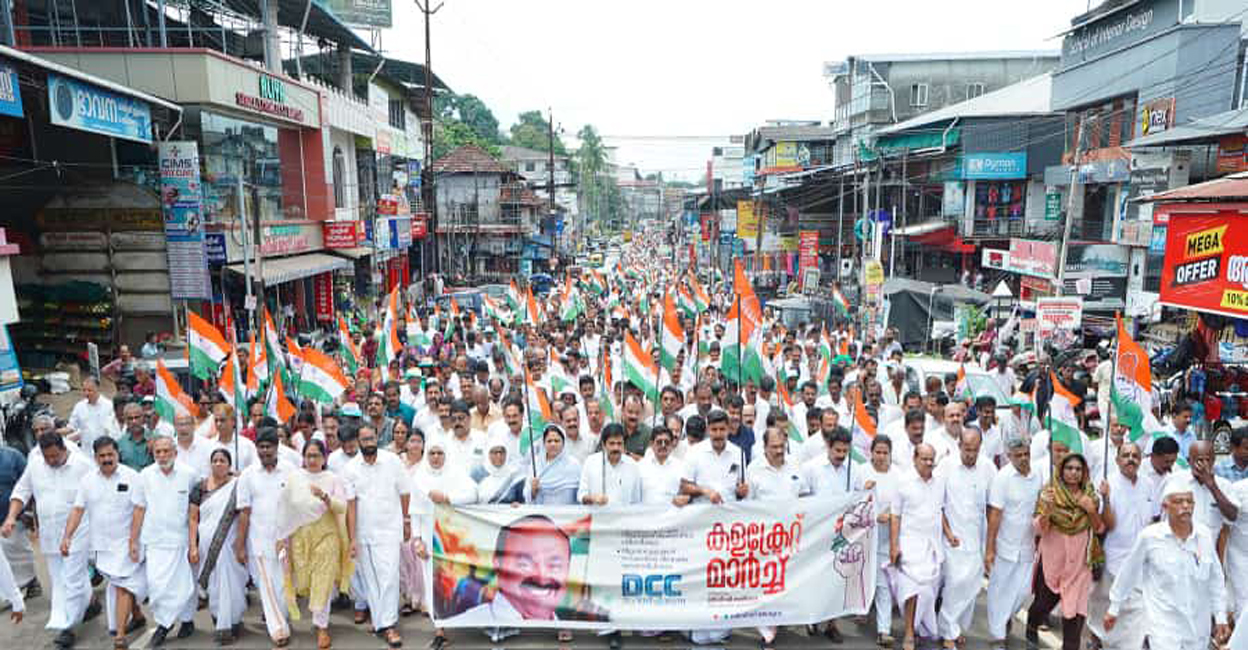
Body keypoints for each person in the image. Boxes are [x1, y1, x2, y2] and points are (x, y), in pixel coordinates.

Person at [1105, 476, 1230, 648]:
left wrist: (1220, 616)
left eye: (1189, 501)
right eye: (1179, 501)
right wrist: (1114, 608)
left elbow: (1215, 579)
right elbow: (1129, 572)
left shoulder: (1204, 536)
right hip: (1163, 627)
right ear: (1165, 506)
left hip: (1197, 628)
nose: (1185, 506)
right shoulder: (1150, 537)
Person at [2, 432, 97, 650]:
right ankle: (90, 603)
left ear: (64, 449)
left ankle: (68, 627)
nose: (52, 461)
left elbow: (99, 491)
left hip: (78, 533)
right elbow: (22, 491)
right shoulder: (35, 465)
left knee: (71, 579)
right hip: (49, 534)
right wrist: (10, 518)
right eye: (48, 457)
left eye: (55, 456)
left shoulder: (82, 465)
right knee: (59, 578)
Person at [61, 437, 147, 648]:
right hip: (102, 545)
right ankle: (137, 617)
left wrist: (133, 541)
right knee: (119, 583)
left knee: (122, 586)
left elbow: (139, 509)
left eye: (110, 454)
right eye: (102, 456)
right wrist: (67, 536)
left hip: (127, 544)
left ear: (117, 454)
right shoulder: (87, 481)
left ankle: (119, 634)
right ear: (95, 457)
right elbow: (78, 509)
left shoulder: (132, 477)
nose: (107, 459)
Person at [276, 439, 352, 650]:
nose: (311, 460)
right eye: (308, 456)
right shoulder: (294, 478)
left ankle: (322, 627)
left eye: (316, 456)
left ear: (324, 457)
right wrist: (282, 536)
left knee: (323, 580)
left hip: (326, 535)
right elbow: (284, 509)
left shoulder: (332, 479)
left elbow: (342, 507)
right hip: (300, 537)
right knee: (304, 581)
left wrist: (325, 497)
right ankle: (317, 618)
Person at [1027, 453, 1106, 650]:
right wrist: (1047, 509)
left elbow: (1099, 529)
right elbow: (1038, 528)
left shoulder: (1091, 497)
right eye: (1069, 468)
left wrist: (1091, 510)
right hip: (1053, 564)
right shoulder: (1049, 493)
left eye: (1078, 469)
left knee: (1074, 622)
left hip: (1079, 567)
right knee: (1041, 606)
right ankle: (1031, 626)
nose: (1073, 473)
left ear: (1084, 472)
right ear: (1061, 471)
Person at [344, 424, 412, 648]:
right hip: (364, 532)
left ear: (377, 438)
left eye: (371, 438)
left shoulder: (392, 462)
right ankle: (381, 620)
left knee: (389, 577)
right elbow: (351, 506)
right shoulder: (351, 468)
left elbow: (404, 492)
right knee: (371, 580)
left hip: (390, 529)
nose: (369, 442)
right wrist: (352, 538)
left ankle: (389, 625)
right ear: (358, 442)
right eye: (364, 439)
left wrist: (406, 520)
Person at [128, 436, 197, 646]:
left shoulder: (189, 475)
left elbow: (194, 511)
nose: (162, 455)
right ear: (154, 454)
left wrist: (194, 543)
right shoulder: (145, 476)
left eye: (166, 451)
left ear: (175, 453)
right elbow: (139, 508)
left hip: (180, 540)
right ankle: (164, 622)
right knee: (157, 586)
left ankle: (185, 621)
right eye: (158, 452)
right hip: (155, 540)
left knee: (184, 585)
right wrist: (133, 541)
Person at [235, 429, 297, 646]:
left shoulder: (290, 470)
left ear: (277, 446)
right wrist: (240, 544)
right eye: (261, 447)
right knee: (266, 585)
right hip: (258, 541)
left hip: (285, 538)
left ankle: (281, 618)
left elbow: (297, 504)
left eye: (268, 446)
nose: (265, 451)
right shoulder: (248, 475)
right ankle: (279, 629)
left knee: (282, 584)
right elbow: (244, 512)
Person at [1085, 442, 1149, 650]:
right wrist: (1105, 497)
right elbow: (1108, 525)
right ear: (1117, 459)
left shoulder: (1147, 484)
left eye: (1135, 455)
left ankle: (1128, 644)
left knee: (1135, 607)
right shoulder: (1107, 483)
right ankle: (1097, 637)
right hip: (1113, 554)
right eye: (1126, 455)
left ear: (1140, 460)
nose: (1131, 459)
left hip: (1140, 557)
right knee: (1105, 602)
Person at [745, 427, 804, 650]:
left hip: (791, 537)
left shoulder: (796, 467)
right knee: (765, 583)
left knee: (785, 582)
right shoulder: (754, 470)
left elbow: (806, 496)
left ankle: (778, 621)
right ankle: (766, 633)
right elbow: (748, 504)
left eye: (782, 446)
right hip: (764, 537)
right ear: (764, 447)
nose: (779, 451)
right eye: (774, 447)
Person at [937, 429, 993, 648]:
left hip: (977, 537)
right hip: (952, 537)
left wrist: (990, 542)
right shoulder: (945, 466)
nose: (971, 454)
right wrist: (948, 532)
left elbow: (992, 505)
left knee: (971, 586)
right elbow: (937, 503)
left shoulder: (988, 467)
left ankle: (956, 627)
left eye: (975, 450)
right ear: (959, 445)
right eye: (967, 449)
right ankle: (947, 630)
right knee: (955, 582)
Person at [983, 437, 1042, 646]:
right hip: (1004, 545)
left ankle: (1004, 619)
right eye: (1018, 455)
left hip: (1027, 546)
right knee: (999, 590)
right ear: (1009, 456)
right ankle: (997, 635)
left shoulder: (1037, 476)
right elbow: (995, 514)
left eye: (1026, 453)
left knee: (1023, 591)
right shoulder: (1003, 478)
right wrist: (989, 548)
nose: (1024, 458)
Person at [189, 449, 247, 647]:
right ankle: (219, 619)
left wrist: (240, 543)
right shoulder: (200, 487)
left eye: (223, 460)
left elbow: (244, 514)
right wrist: (193, 546)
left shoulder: (238, 485)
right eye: (215, 460)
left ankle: (233, 621)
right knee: (214, 583)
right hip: (206, 543)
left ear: (229, 465)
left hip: (229, 543)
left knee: (232, 581)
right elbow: (193, 518)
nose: (218, 464)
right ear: (210, 463)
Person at [890, 444, 942, 650]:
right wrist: (894, 545)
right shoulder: (903, 481)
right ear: (914, 458)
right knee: (911, 589)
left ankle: (921, 628)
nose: (929, 463)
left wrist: (948, 536)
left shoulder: (939, 482)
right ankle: (909, 632)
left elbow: (942, 511)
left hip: (932, 545)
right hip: (909, 543)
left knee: (928, 592)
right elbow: (895, 515)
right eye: (925, 459)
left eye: (932, 459)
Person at [861, 435, 899, 647]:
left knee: (884, 583)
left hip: (887, 536)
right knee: (864, 579)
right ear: (871, 452)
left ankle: (883, 630)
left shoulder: (898, 475)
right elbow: (852, 501)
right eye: (878, 452)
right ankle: (861, 610)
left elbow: (902, 504)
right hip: (864, 535)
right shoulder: (862, 472)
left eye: (885, 453)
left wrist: (891, 515)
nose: (881, 457)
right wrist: (864, 491)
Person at [525, 425, 582, 506]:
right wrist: (532, 491)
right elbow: (527, 496)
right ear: (543, 443)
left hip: (569, 515)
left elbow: (581, 494)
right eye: (549, 441)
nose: (553, 444)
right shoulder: (536, 463)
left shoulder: (574, 464)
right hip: (542, 516)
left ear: (563, 442)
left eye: (557, 441)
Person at [638, 426, 688, 507]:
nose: (663, 445)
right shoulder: (641, 467)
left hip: (673, 516)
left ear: (672, 444)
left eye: (667, 442)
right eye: (659, 442)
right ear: (651, 444)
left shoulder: (680, 467)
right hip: (646, 516)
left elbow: (686, 494)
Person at [68, 377, 113, 453]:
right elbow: (71, 427)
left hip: (104, 450)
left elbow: (112, 430)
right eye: (84, 390)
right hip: (86, 451)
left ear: (97, 389)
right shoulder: (79, 406)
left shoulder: (108, 406)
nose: (86, 393)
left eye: (89, 390)